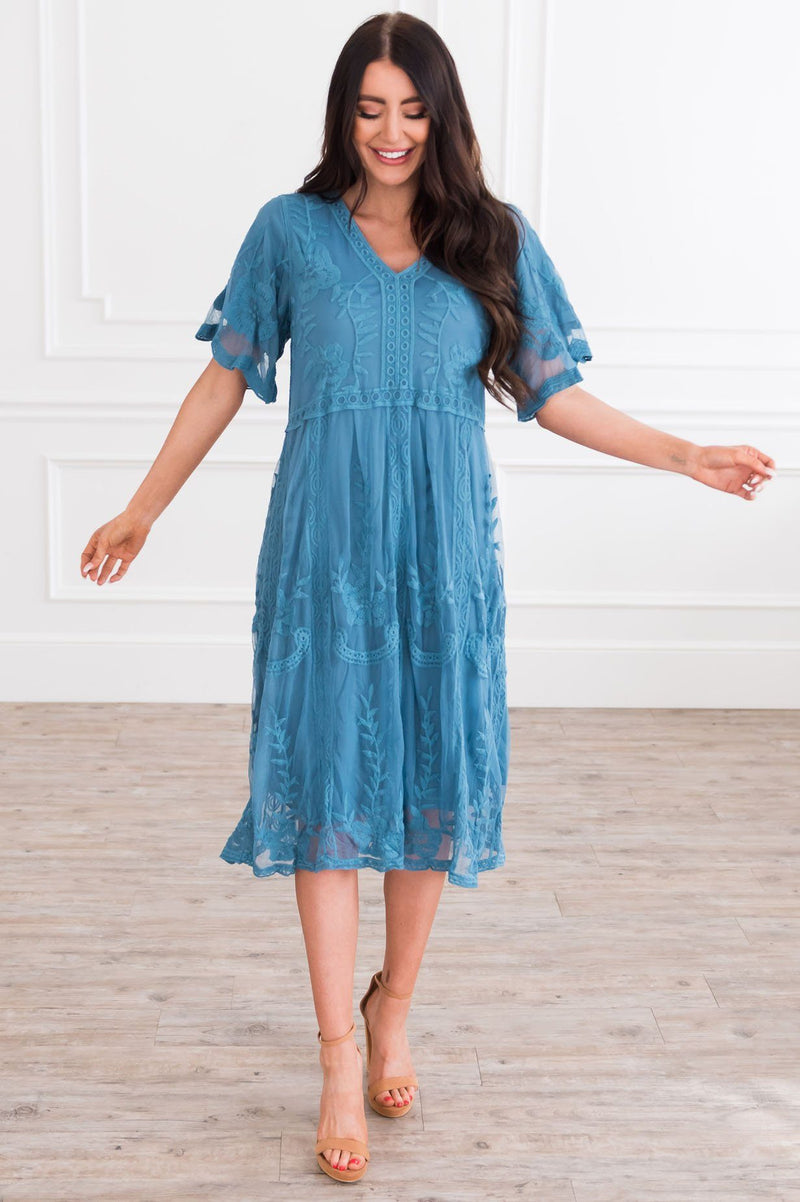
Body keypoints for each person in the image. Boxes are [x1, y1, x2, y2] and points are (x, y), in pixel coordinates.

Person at [79, 11, 775, 1186]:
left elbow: (551, 391)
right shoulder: (289, 232)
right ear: (341, 116)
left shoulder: (489, 237)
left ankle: (393, 1004)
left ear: (440, 115)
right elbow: (223, 376)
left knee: (427, 781)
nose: (390, 131)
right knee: (323, 783)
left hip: (444, 556)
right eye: (368, 109)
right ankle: (336, 1054)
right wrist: (143, 505)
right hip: (324, 554)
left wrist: (681, 453)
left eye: (410, 109)